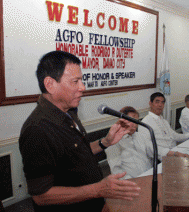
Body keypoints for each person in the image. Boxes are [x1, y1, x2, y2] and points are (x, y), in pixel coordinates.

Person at [18, 51, 140, 212]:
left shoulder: (69, 111)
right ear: (50, 84)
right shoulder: (37, 130)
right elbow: (41, 195)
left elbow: (76, 153)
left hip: (93, 202)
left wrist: (105, 142)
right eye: (75, 81)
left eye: (81, 80)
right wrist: (98, 189)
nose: (82, 87)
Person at [106, 106, 189, 179]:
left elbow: (156, 151)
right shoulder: (113, 141)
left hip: (149, 176)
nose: (134, 124)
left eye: (136, 120)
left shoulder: (140, 136)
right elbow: (116, 171)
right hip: (132, 182)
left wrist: (175, 154)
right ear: (122, 121)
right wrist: (132, 184)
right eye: (130, 120)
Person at [138, 92, 189, 159]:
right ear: (150, 103)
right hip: (163, 158)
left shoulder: (163, 121)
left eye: (162, 102)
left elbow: (174, 135)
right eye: (157, 102)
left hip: (175, 151)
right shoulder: (145, 123)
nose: (160, 105)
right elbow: (149, 148)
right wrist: (172, 153)